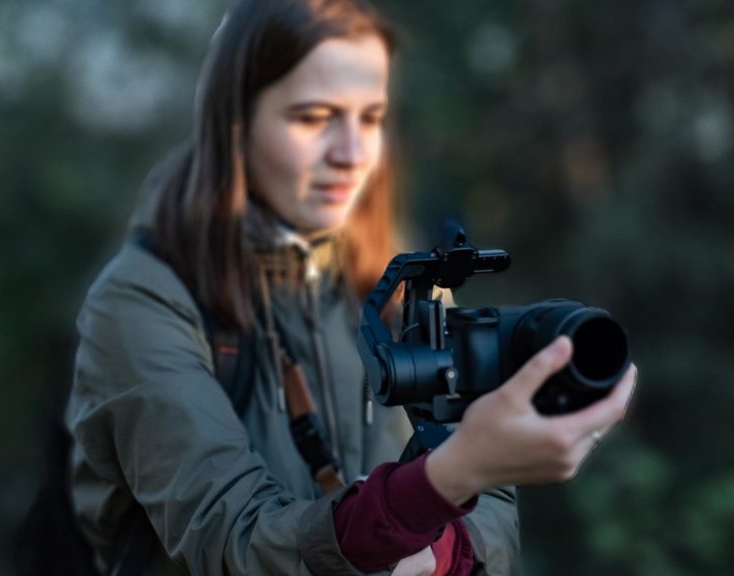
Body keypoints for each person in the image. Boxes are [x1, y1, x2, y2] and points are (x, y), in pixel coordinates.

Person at [66, 0, 638, 575]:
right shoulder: (141, 302)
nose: (351, 153)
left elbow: (483, 498)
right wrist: (439, 486)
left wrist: (443, 553)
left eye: (370, 117)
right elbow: (233, 537)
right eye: (314, 117)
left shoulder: (397, 278)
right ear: (235, 124)